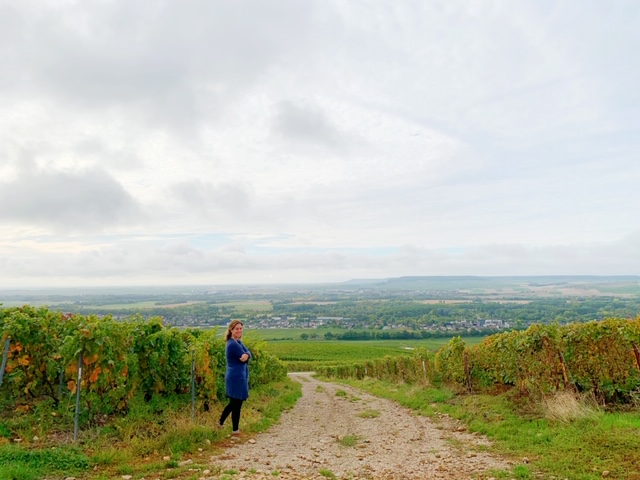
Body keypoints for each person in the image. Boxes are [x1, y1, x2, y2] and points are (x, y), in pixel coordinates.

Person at [219, 320, 251, 434]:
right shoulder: (233, 344)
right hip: (236, 377)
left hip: (237, 376)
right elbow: (244, 356)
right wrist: (246, 355)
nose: (239, 330)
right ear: (231, 330)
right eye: (237, 328)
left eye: (240, 328)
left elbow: (247, 353)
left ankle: (221, 423)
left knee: (234, 403)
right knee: (236, 403)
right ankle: (235, 430)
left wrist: (247, 355)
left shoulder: (237, 342)